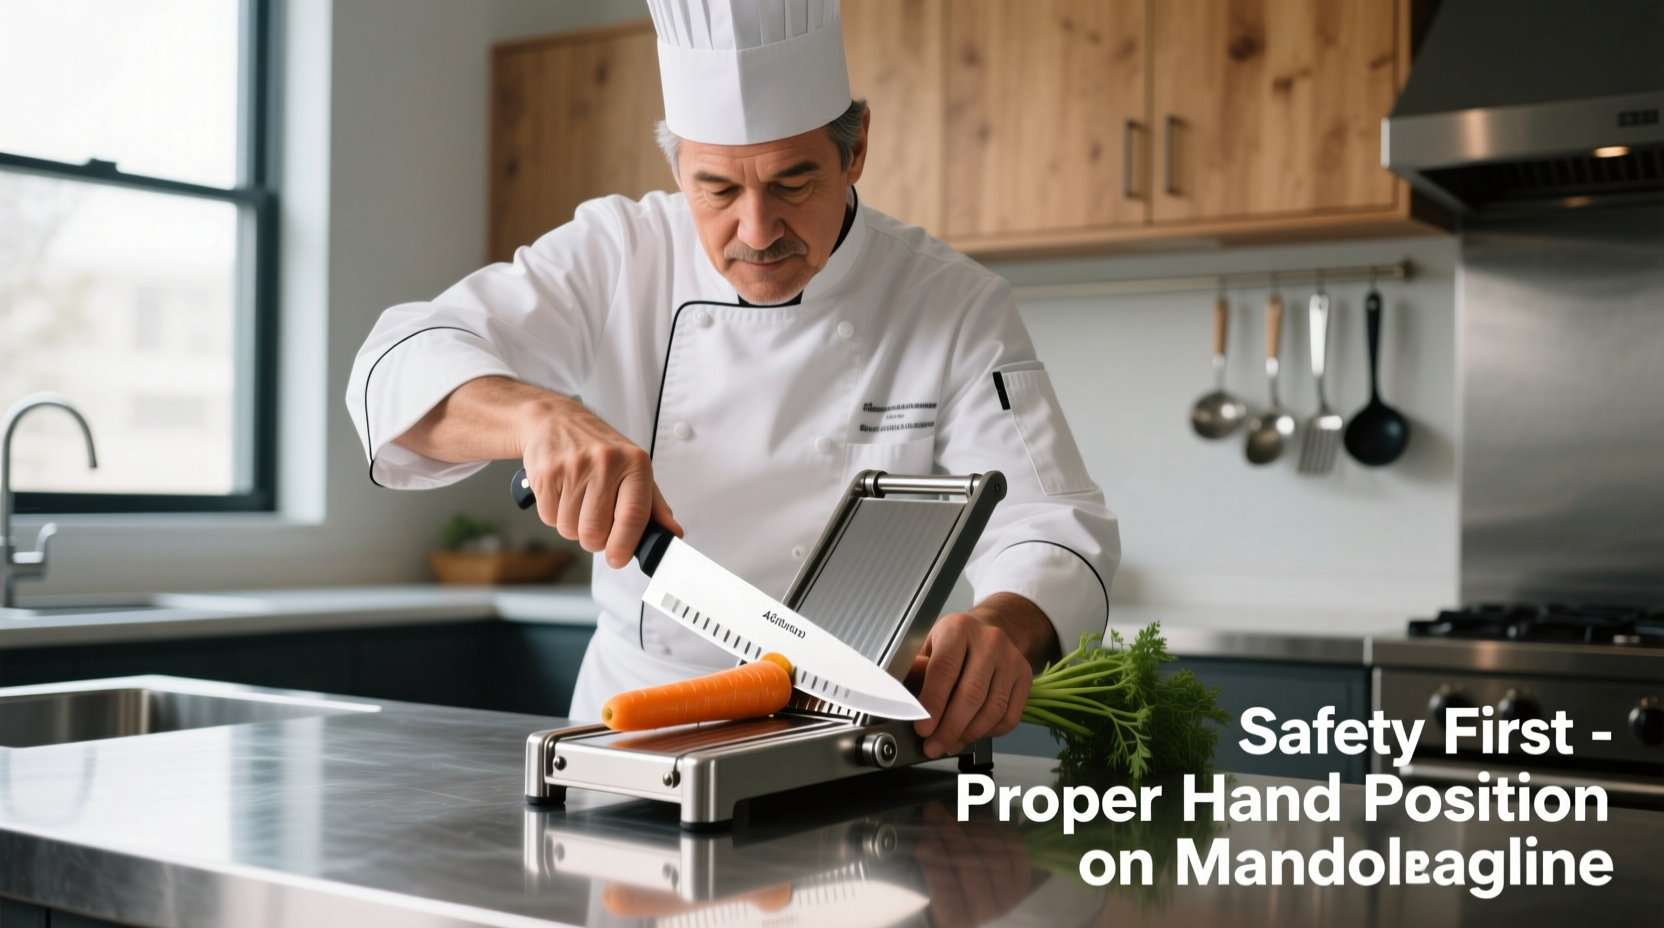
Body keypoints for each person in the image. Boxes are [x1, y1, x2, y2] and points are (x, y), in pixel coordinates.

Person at [347, 0, 1118, 760]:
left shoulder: (947, 301)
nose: (756, 232)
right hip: (637, 737)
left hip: (850, 740)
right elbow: (397, 368)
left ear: (856, 150)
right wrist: (537, 418)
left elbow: (1053, 520)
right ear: (677, 166)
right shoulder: (618, 253)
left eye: (792, 183)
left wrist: (1003, 627)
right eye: (716, 189)